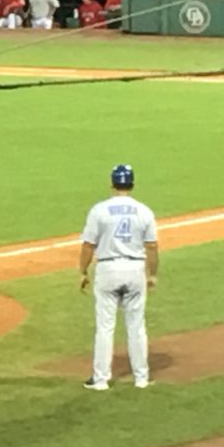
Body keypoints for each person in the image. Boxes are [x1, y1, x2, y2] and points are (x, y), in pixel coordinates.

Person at [80, 164, 158, 391]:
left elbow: (88, 245)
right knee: (137, 326)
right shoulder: (144, 211)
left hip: (108, 270)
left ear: (112, 184)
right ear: (132, 184)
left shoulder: (100, 210)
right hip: (135, 270)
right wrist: (152, 274)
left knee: (105, 327)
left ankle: (101, 380)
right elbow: (152, 246)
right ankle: (142, 378)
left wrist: (83, 271)